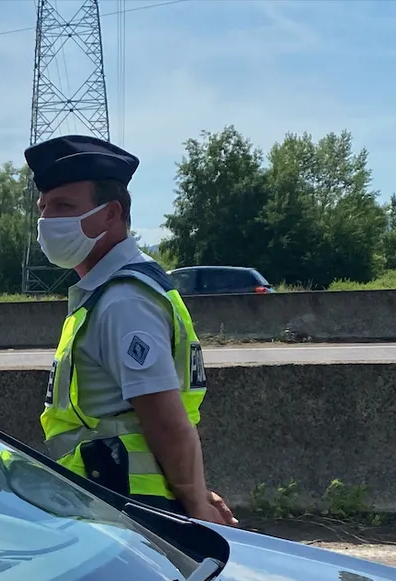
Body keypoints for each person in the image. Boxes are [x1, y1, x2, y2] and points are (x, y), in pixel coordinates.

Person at [23, 134, 237, 526]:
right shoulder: (109, 291)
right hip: (120, 497)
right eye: (44, 208)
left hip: (129, 507)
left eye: (64, 206)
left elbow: (164, 419)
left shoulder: (123, 301)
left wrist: (197, 507)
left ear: (111, 213)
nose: (48, 221)